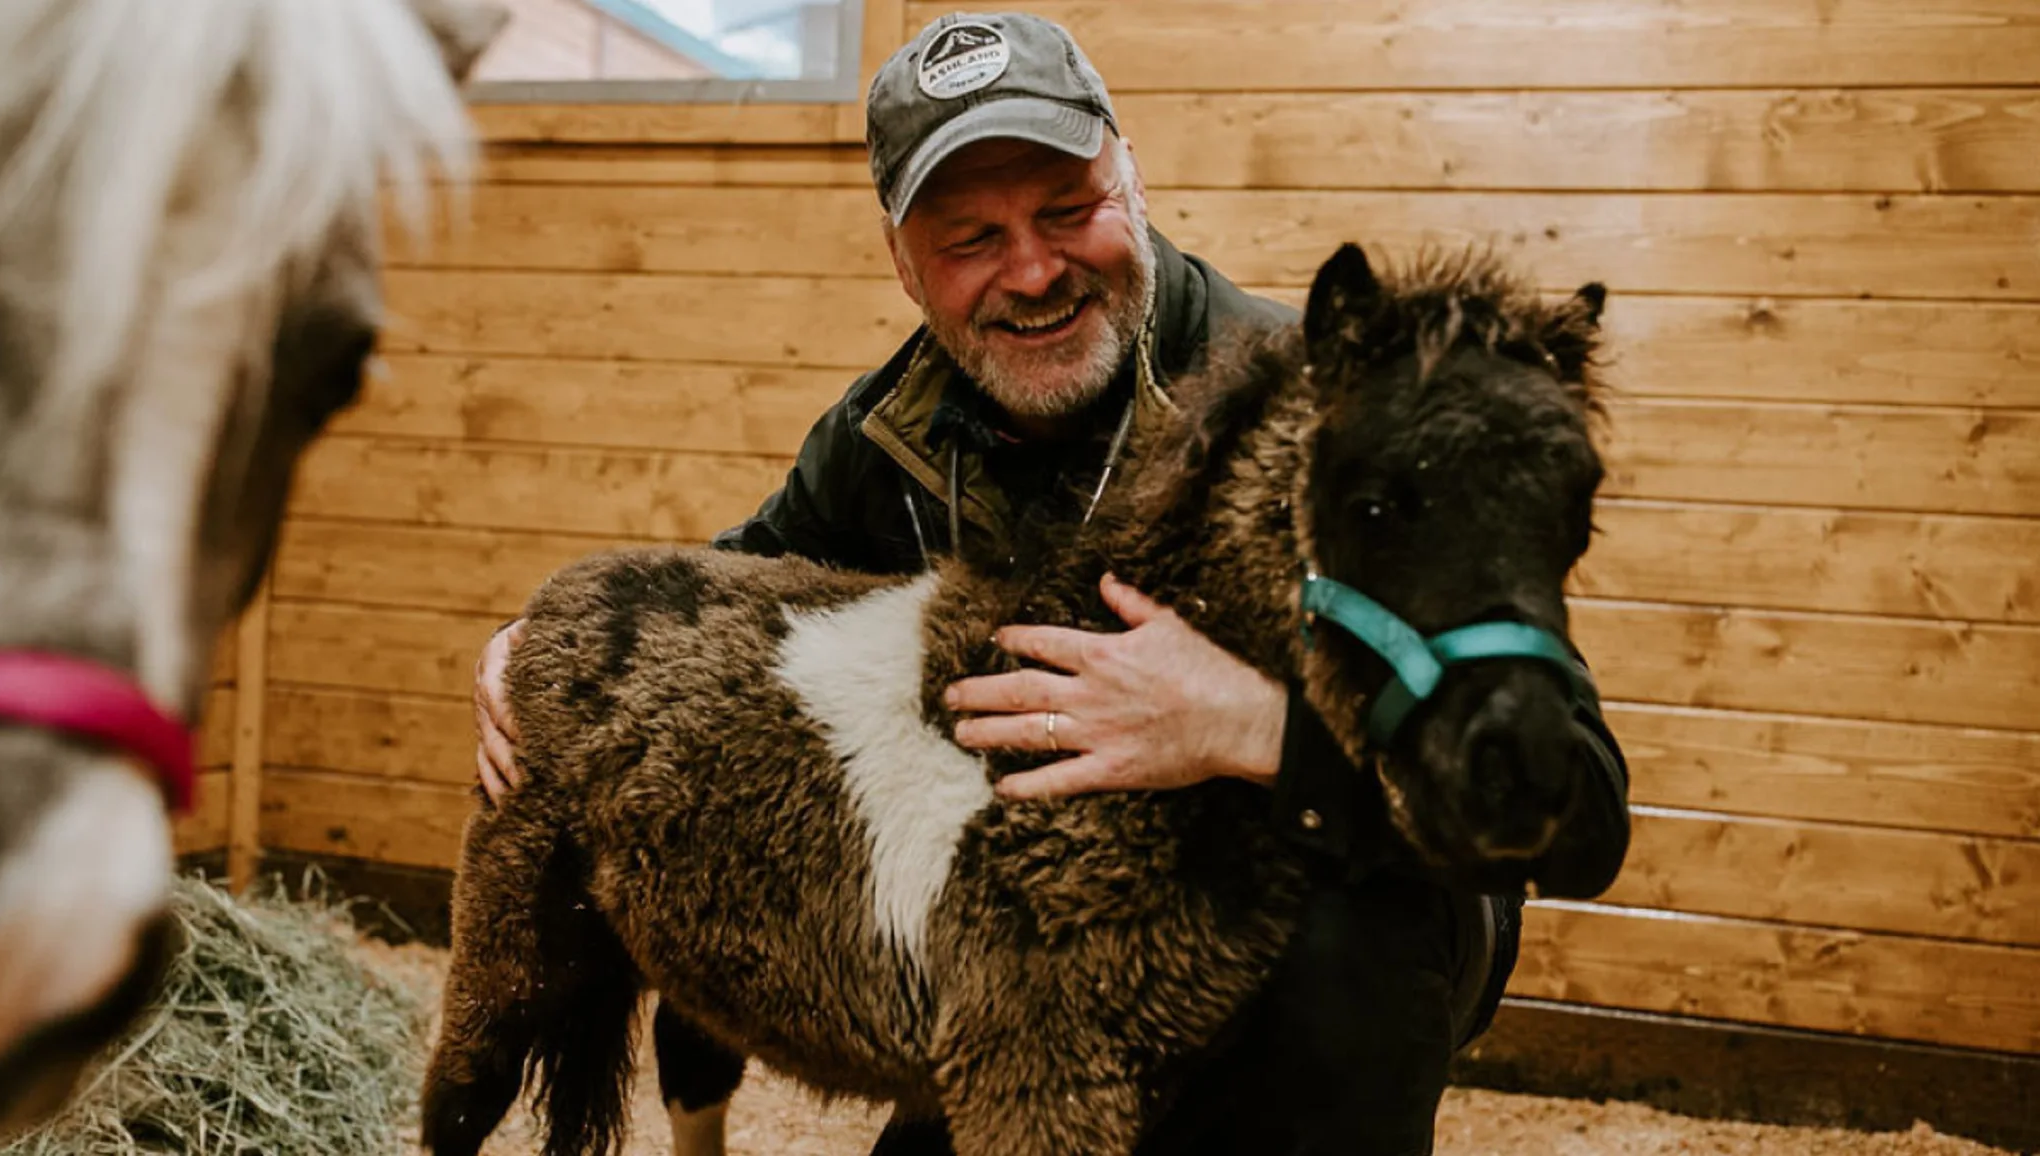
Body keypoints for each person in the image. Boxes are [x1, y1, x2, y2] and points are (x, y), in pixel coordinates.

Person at [472, 12, 1632, 1154]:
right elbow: (731, 585)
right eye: (971, 238)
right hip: (1055, 951)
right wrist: (538, 645)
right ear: (905, 263)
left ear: (1133, 183)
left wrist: (1256, 729)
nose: (1031, 271)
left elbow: (1580, 814)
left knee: (1325, 966)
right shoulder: (888, 436)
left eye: (1068, 211)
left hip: (1348, 916)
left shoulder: (1340, 418)